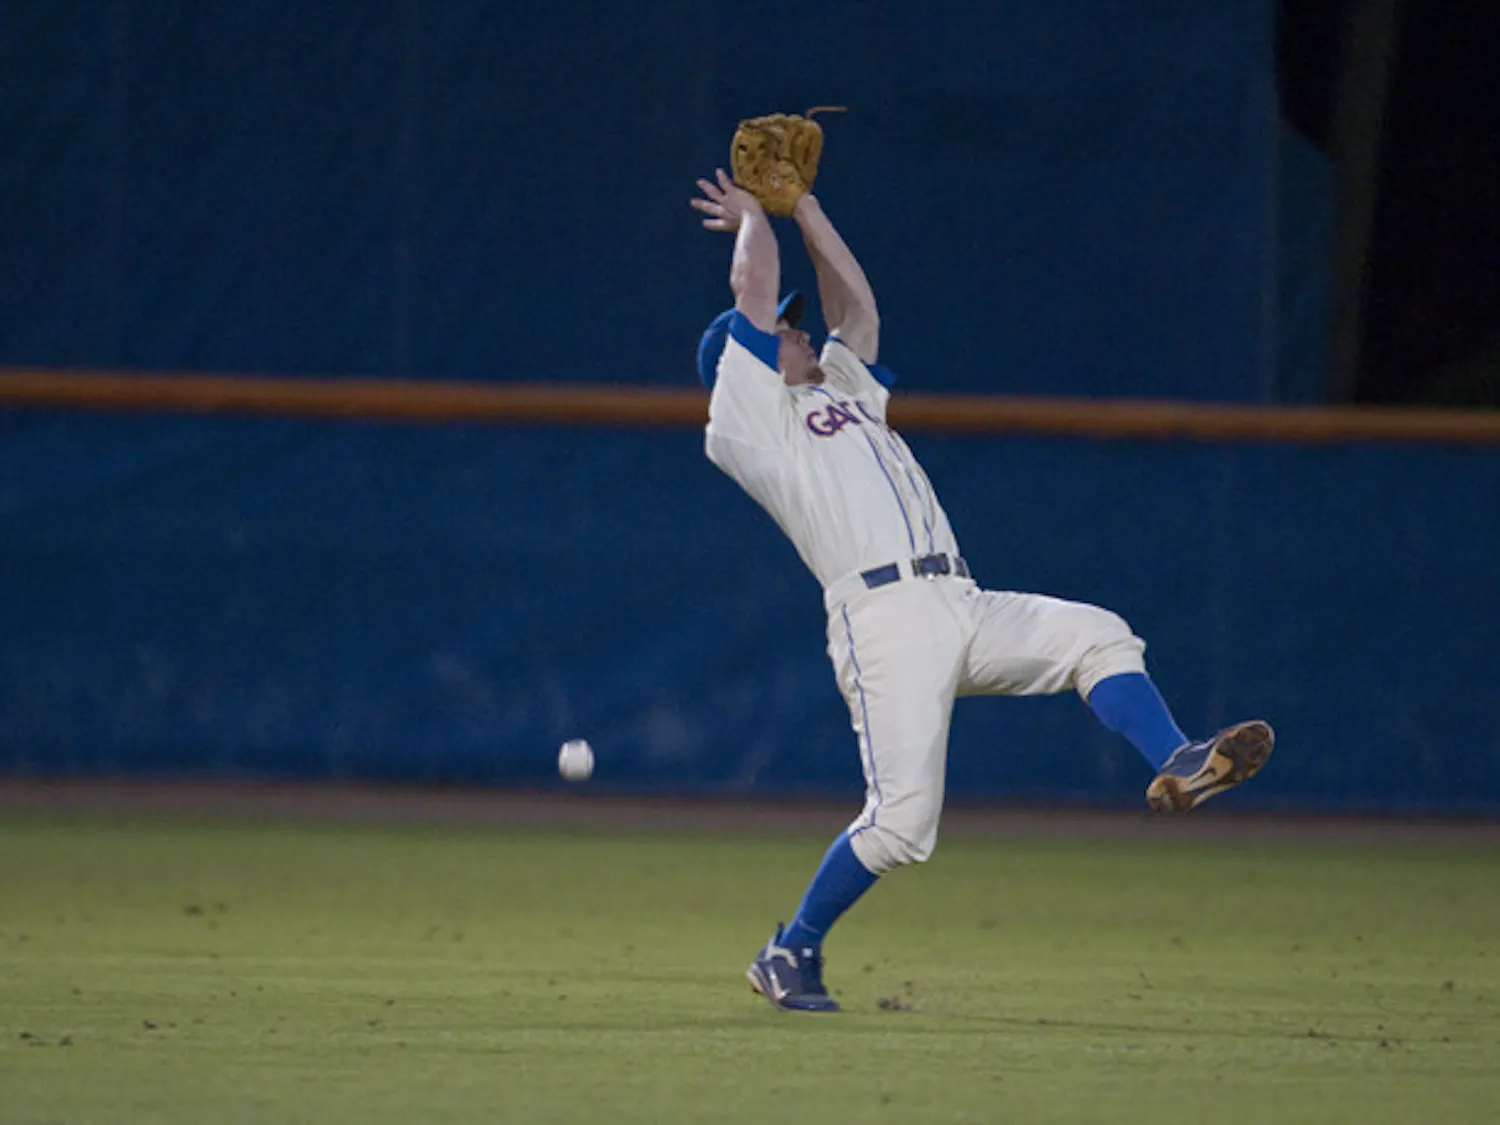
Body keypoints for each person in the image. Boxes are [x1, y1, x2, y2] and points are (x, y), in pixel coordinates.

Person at [688, 168, 1273, 1013]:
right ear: (740, 363)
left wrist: (806, 207)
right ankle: (791, 948)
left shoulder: (841, 392)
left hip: (960, 599)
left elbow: (860, 310)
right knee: (901, 825)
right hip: (884, 621)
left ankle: (1177, 757)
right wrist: (754, 217)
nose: (798, 329)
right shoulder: (749, 422)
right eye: (784, 329)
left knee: (1099, 633)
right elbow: (752, 290)